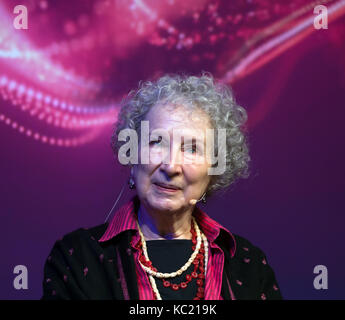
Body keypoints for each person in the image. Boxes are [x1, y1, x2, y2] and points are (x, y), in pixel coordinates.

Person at [41, 72, 283, 300]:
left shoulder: (248, 264)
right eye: (156, 142)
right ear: (132, 155)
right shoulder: (78, 258)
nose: (171, 166)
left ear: (214, 169)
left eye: (192, 149)